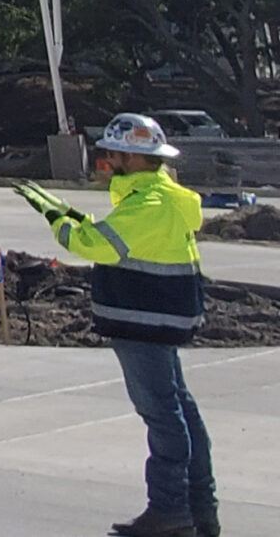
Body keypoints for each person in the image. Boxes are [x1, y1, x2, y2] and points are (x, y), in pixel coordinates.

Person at [19, 114, 216, 537]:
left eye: (111, 154)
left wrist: (57, 220)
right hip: (161, 319)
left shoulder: (148, 204)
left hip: (143, 321)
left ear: (131, 156)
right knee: (180, 409)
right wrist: (72, 212)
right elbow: (117, 236)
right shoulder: (160, 198)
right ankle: (200, 507)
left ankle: (171, 509)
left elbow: (96, 244)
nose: (106, 161)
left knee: (163, 416)